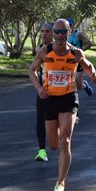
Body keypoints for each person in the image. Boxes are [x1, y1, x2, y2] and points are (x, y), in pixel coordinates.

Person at [29, 18, 96, 191]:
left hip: (68, 98)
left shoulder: (76, 53)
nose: (60, 36)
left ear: (70, 32)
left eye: (64, 32)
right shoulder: (45, 51)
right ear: (53, 33)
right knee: (53, 144)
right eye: (57, 32)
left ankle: (60, 183)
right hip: (50, 100)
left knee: (65, 141)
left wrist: (94, 76)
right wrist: (39, 89)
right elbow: (31, 70)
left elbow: (88, 65)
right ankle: (68, 121)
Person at [34, 21, 53, 162]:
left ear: (53, 33)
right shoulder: (39, 49)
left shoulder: (61, 48)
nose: (44, 34)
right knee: (40, 117)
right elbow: (34, 69)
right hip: (44, 87)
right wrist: (39, 87)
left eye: (47, 31)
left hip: (60, 89)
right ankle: (41, 151)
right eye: (42, 31)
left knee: (55, 118)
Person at [67, 17, 94, 96]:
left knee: (79, 85)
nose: (69, 27)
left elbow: (89, 43)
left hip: (78, 60)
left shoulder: (78, 34)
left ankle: (85, 85)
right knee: (67, 82)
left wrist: (80, 51)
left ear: (73, 25)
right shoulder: (64, 35)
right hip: (68, 61)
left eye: (70, 25)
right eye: (67, 25)